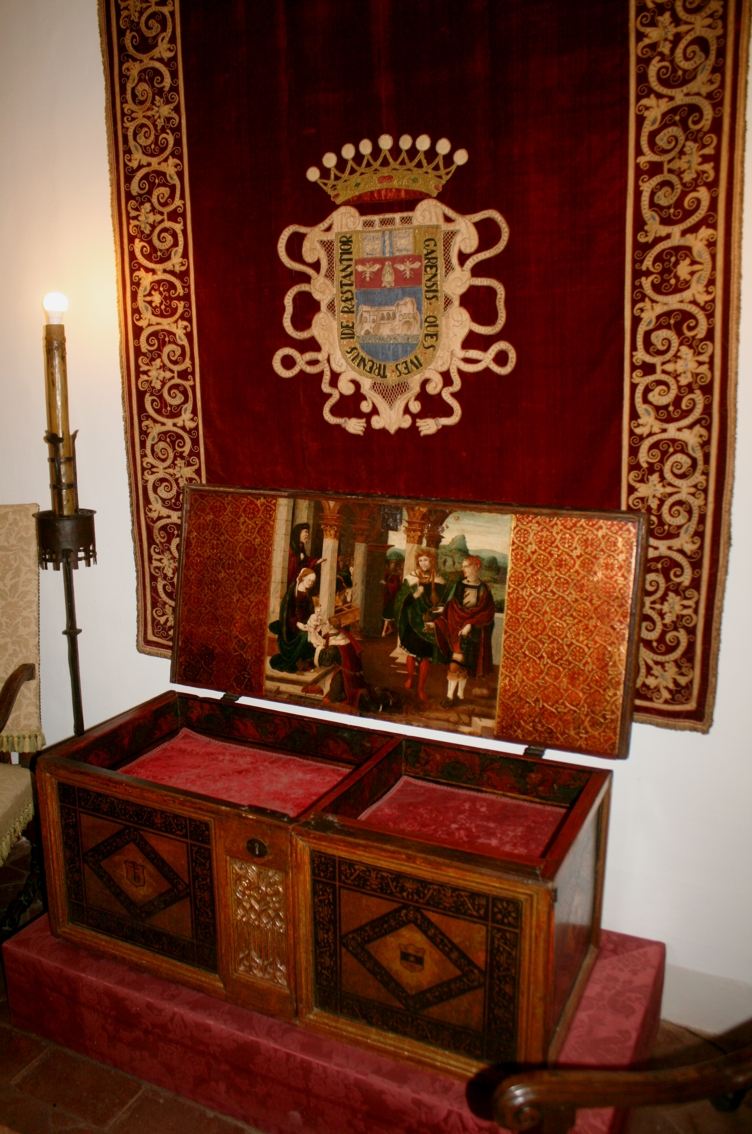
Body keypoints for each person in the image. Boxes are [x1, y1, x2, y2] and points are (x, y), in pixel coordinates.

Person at [431, 556, 496, 705]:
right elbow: (451, 606)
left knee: (465, 663)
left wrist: (471, 624)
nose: (462, 569)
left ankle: (460, 694)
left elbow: (487, 612)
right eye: (463, 566)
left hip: (475, 631)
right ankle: (449, 697)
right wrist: (442, 612)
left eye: (466, 566)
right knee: (455, 663)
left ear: (476, 567)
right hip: (457, 628)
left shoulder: (484, 589)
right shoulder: (459, 585)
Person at [394, 550, 446, 701]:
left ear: (432, 562)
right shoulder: (411, 579)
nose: (423, 563)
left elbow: (442, 602)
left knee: (426, 657)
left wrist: (438, 612)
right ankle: (411, 678)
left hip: (428, 622)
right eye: (421, 560)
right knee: (411, 653)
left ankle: (420, 688)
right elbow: (400, 601)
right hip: (412, 621)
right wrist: (415, 595)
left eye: (426, 560)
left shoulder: (439, 581)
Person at [269, 567, 319, 673]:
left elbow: (309, 610)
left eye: (312, 581)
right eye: (309, 580)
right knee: (304, 636)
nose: (310, 583)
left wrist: (311, 620)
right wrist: (297, 624)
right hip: (291, 628)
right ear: (303, 578)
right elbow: (288, 613)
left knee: (315, 632)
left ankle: (306, 663)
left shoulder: (307, 592)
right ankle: (297, 663)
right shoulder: (294, 591)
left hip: (304, 623)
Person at [287, 522, 323, 589]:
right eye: (305, 532)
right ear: (298, 533)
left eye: (308, 533)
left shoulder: (301, 546)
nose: (307, 535)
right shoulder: (291, 547)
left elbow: (306, 561)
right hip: (290, 578)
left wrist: (316, 561)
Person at [380, 557, 403, 636]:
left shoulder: (395, 575)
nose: (392, 566)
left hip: (392, 597)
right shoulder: (387, 573)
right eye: (391, 564)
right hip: (387, 595)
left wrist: (386, 584)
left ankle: (384, 631)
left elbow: (396, 586)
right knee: (386, 613)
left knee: (388, 613)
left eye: (393, 565)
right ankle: (390, 628)